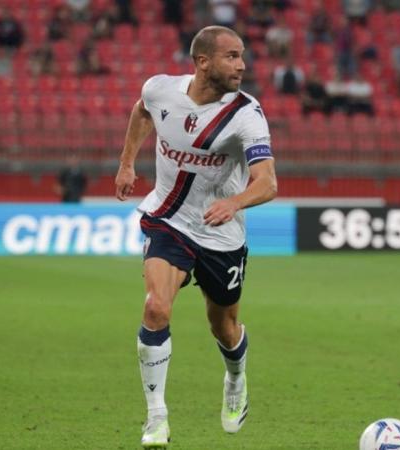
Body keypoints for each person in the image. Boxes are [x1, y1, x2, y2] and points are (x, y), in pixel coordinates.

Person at [114, 25, 277, 448]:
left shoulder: (246, 114)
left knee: (223, 326)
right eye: (231, 56)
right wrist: (127, 163)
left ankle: (236, 380)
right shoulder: (161, 89)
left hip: (220, 236)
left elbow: (268, 183)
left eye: (242, 56)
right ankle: (156, 419)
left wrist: (235, 203)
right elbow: (142, 111)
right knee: (156, 309)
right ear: (203, 62)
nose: (241, 65)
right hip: (167, 219)